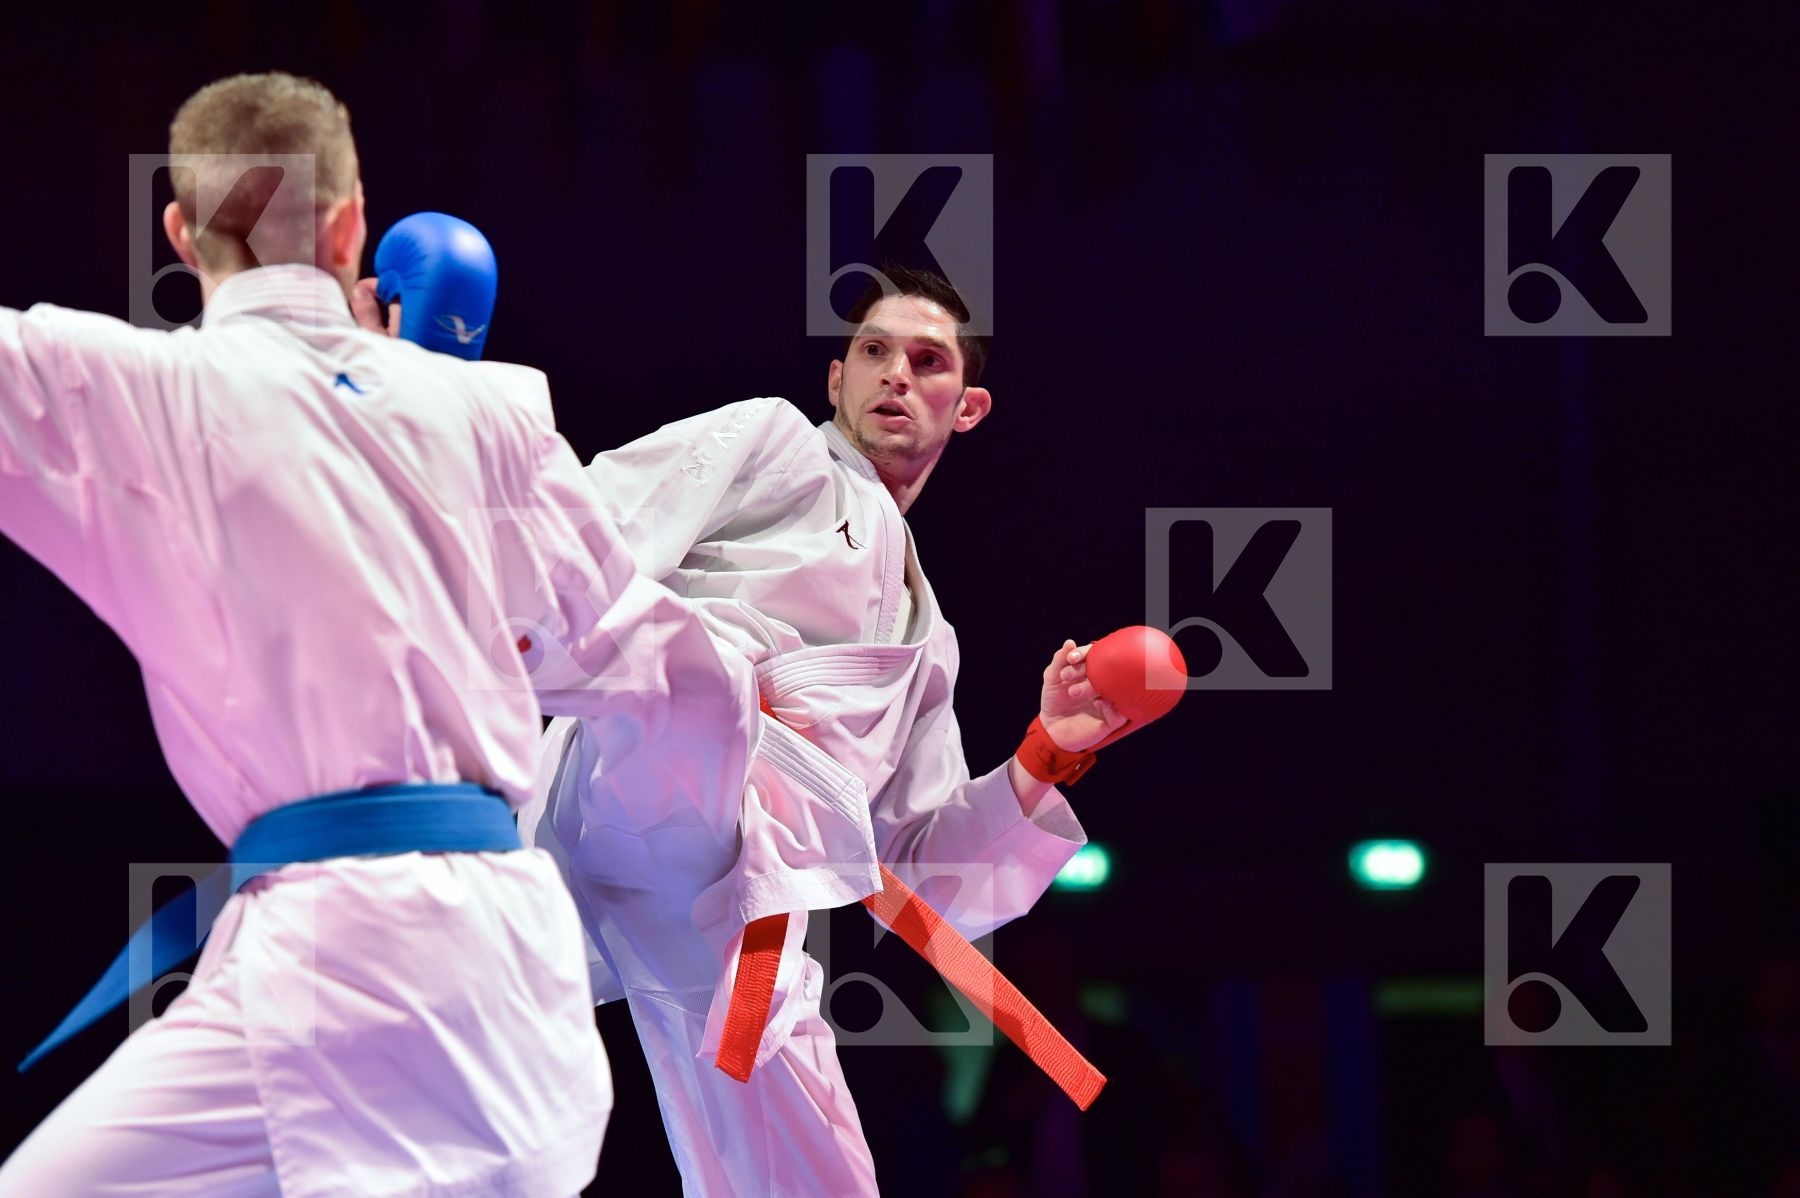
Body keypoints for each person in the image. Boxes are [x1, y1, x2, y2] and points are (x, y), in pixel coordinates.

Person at [0, 71, 759, 1197]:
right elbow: (650, 662)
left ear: (177, 230)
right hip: (516, 966)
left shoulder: (133, 389)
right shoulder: (493, 409)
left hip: (345, 956)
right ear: (355, 224)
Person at [523, 265, 1137, 1194]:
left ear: (966, 407)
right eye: (873, 352)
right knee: (697, 673)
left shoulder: (929, 643)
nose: (895, 373)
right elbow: (598, 526)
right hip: (644, 758)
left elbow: (930, 875)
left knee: (819, 1173)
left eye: (926, 360)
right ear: (836, 381)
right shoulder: (776, 442)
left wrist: (1047, 754)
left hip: (735, 889)